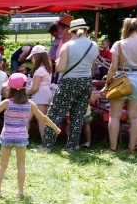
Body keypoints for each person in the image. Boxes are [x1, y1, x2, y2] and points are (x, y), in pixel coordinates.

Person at [0, 74, 60, 198]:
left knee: (3, 164)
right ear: (26, 87)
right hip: (21, 137)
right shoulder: (31, 104)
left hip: (7, 137)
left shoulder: (6, 103)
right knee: (21, 164)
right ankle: (20, 192)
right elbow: (44, 118)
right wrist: (56, 128)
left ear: (10, 88)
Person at [39, 18, 99, 153]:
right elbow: (92, 65)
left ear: (72, 31)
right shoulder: (94, 45)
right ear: (85, 30)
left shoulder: (68, 45)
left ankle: (47, 145)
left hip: (69, 81)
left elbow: (59, 68)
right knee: (78, 116)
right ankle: (72, 146)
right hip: (86, 81)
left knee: (55, 113)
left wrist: (60, 60)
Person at [105, 17, 137, 153]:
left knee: (114, 116)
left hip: (121, 79)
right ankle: (131, 148)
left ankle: (113, 148)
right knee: (135, 116)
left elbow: (113, 68)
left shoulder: (119, 44)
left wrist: (107, 84)